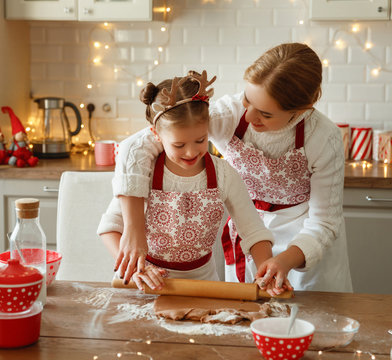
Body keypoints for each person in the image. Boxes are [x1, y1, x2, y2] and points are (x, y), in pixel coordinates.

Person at [112, 43, 353, 293]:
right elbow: (139, 143)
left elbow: (324, 222)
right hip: (251, 238)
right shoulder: (229, 114)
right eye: (247, 100)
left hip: (305, 242)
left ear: (302, 109)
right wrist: (133, 229)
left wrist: (284, 261)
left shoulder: (324, 137)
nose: (248, 117)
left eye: (265, 114)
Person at [97, 71, 281, 293]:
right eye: (179, 145)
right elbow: (109, 229)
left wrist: (265, 269)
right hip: (145, 284)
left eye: (200, 140)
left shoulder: (223, 174)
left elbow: (254, 232)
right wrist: (138, 267)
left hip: (203, 285)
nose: (191, 151)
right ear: (156, 134)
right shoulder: (143, 172)